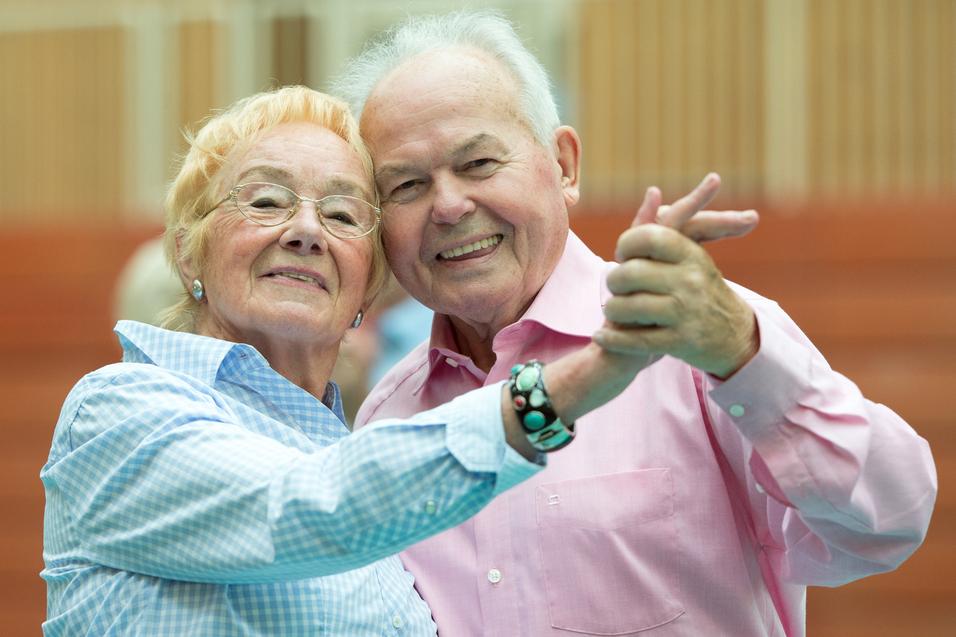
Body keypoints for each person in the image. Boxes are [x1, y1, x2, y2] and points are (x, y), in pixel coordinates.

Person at [337, 11, 938, 636]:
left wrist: (742, 355)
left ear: (564, 165)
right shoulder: (389, 412)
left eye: (480, 163)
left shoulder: (704, 340)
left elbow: (889, 522)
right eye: (406, 185)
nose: (449, 205)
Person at [40, 86, 674, 635]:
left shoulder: (366, 439)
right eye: (265, 202)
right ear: (188, 254)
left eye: (343, 214)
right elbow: (306, 506)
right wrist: (575, 383)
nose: (307, 230)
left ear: (366, 290)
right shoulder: (121, 410)